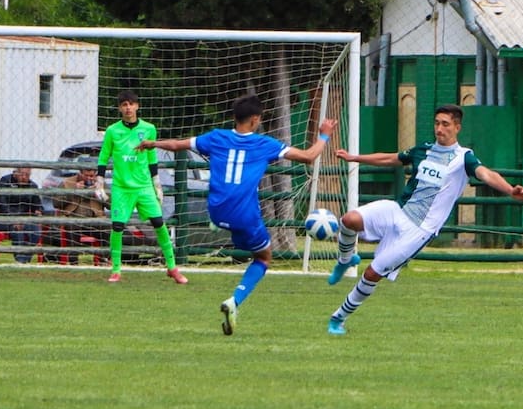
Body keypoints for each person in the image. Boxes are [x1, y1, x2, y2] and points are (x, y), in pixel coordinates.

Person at [136, 93, 336, 335]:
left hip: (217, 210)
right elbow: (309, 156)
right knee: (263, 258)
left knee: (235, 228)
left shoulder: (216, 137)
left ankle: (218, 224)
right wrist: (324, 134)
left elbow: (178, 145)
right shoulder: (264, 144)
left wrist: (153, 144)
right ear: (254, 119)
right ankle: (235, 301)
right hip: (244, 215)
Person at [326, 104, 523, 335]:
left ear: (457, 127)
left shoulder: (464, 158)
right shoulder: (423, 150)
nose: (439, 129)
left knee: (373, 273)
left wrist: (510, 190)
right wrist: (355, 157)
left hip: (419, 229)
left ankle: (338, 318)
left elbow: (486, 174)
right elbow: (391, 158)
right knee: (349, 219)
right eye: (437, 123)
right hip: (398, 210)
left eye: (445, 124)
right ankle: (345, 260)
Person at [95, 90, 188, 284]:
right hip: (122, 188)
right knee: (118, 226)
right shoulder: (113, 131)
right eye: (124, 105)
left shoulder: (149, 129)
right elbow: (104, 156)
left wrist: (157, 184)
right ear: (119, 108)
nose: (128, 108)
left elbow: (152, 158)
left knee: (158, 223)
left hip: (144, 187)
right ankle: (116, 269)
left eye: (131, 104)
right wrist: (100, 182)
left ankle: (172, 267)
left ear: (137, 106)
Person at [53, 163, 109, 265]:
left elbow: (111, 205)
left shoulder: (101, 184)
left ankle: (103, 260)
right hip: (73, 219)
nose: (89, 178)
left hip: (94, 220)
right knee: (71, 227)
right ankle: (73, 262)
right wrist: (73, 191)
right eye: (86, 176)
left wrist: (100, 193)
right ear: (80, 173)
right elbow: (56, 203)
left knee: (107, 229)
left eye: (91, 176)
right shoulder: (67, 183)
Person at [0, 167, 44, 264]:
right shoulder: (5, 181)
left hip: (24, 219)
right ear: (15, 173)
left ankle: (24, 260)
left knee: (36, 231)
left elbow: (38, 205)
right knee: (18, 230)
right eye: (22, 174)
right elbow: (1, 203)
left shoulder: (33, 186)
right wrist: (13, 219)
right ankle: (21, 261)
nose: (24, 177)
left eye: (27, 175)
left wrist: (38, 211)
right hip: (4, 218)